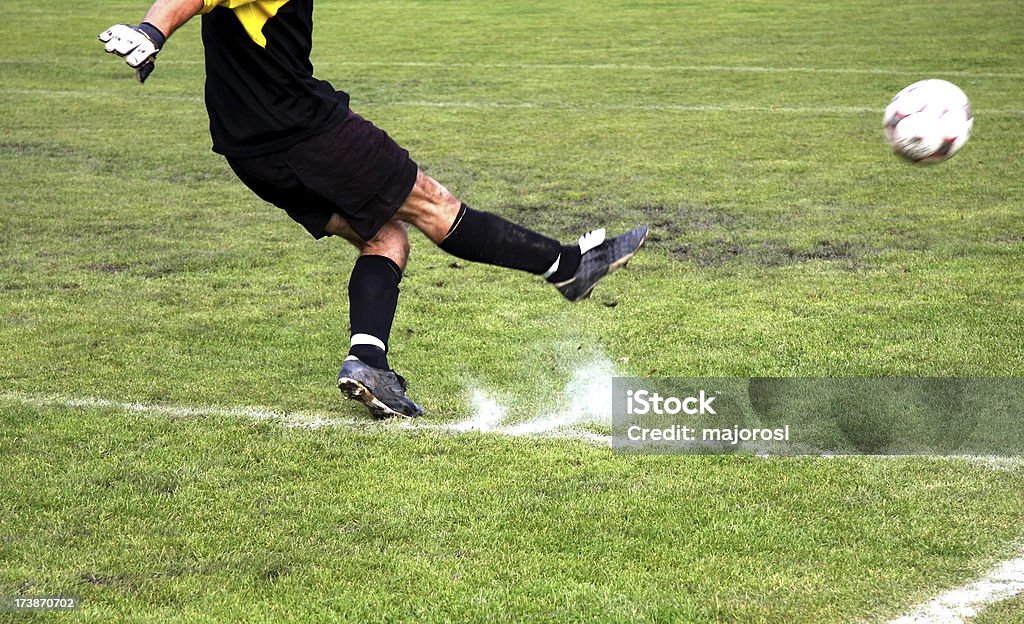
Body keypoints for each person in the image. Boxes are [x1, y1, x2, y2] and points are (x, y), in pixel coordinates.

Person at [98, 0, 648, 418]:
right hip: (305, 131)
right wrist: (152, 30)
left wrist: (153, 35)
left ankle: (369, 365)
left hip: (248, 150)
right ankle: (568, 267)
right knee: (433, 206)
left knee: (384, 238)